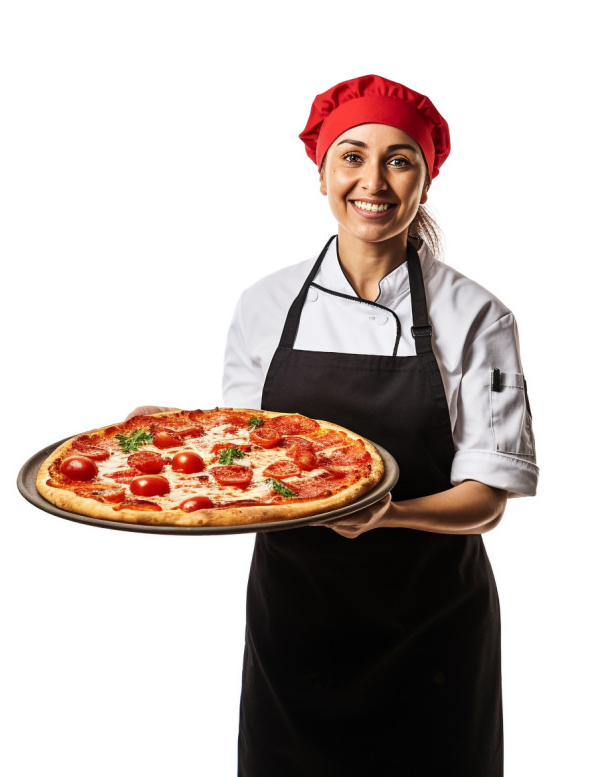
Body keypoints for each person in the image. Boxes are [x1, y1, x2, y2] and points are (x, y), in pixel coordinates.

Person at [133, 74, 538, 777]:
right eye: (351, 156)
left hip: (430, 627)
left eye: (398, 159)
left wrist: (387, 514)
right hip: (296, 619)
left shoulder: (476, 316)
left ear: (425, 181)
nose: (372, 180)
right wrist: (178, 431)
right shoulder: (265, 303)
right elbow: (248, 451)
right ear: (321, 173)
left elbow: (487, 497)